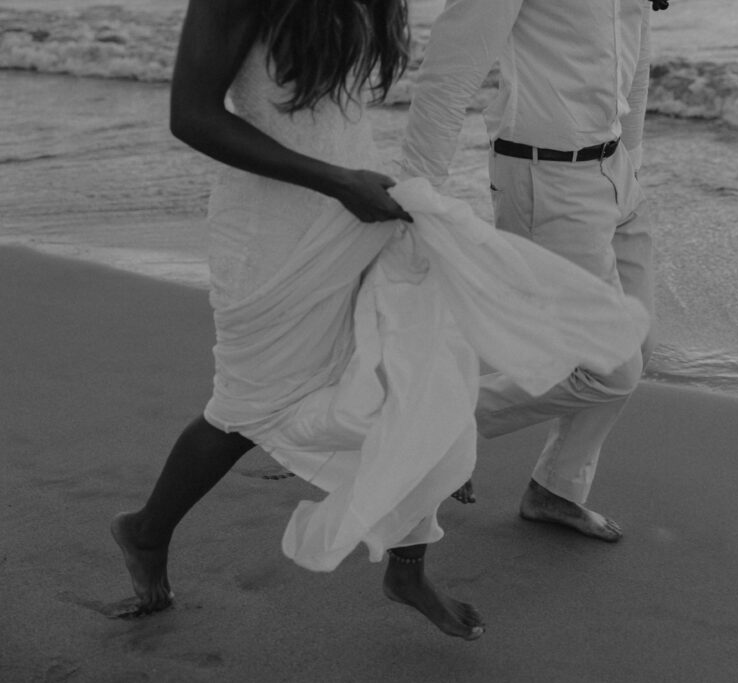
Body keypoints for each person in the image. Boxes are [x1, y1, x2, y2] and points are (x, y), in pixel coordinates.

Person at [111, 0, 647, 641]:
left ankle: (408, 572)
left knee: (418, 374)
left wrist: (387, 191)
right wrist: (336, 181)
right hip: (273, 229)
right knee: (246, 405)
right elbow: (192, 116)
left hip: (359, 203)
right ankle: (144, 530)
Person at [401, 0, 667, 541]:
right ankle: (437, 430)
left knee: (638, 346)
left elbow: (635, 55)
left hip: (615, 168)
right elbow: (450, 73)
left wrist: (631, 163)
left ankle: (556, 488)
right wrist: (416, 197)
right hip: (547, 179)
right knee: (610, 369)